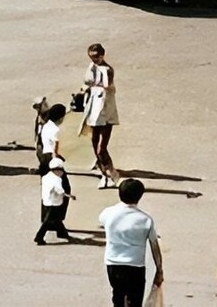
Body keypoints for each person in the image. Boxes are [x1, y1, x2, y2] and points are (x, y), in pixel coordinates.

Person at [99, 178, 164, 307]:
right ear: (140, 196)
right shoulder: (145, 219)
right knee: (135, 299)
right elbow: (154, 246)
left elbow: (102, 220)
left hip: (113, 263)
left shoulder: (108, 213)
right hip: (135, 265)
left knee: (118, 294)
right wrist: (159, 269)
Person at [83, 43, 120, 188]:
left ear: (102, 55)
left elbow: (106, 84)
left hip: (105, 110)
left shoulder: (107, 70)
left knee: (101, 147)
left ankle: (109, 173)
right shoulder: (92, 67)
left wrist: (92, 84)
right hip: (94, 108)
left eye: (96, 57)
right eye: (91, 57)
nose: (94, 60)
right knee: (94, 140)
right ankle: (102, 166)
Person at [35, 157, 75, 245]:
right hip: (54, 203)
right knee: (47, 221)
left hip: (46, 201)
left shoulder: (46, 177)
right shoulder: (57, 179)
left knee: (56, 218)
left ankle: (62, 233)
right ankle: (39, 237)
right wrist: (70, 196)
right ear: (57, 170)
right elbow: (59, 190)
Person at [37, 103, 67, 174]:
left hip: (43, 155)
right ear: (61, 118)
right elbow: (55, 143)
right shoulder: (55, 129)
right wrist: (56, 156)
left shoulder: (46, 125)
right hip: (50, 156)